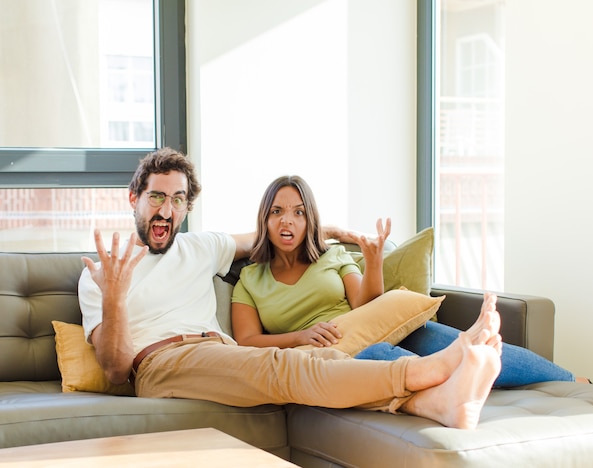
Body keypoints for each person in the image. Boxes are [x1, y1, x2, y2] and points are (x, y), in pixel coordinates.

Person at [78, 147, 502, 431]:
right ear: (133, 197)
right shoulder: (100, 274)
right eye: (155, 198)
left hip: (223, 352)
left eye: (177, 200)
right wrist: (115, 296)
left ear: (188, 206)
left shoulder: (202, 245)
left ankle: (435, 404)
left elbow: (268, 235)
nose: (166, 211)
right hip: (162, 362)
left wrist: (330, 231)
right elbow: (116, 370)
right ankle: (431, 369)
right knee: (283, 365)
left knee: (323, 359)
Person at [231, 175, 583, 388]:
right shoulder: (250, 278)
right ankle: (450, 375)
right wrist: (301, 336)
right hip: (333, 355)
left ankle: (573, 382)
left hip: (375, 327)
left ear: (310, 220)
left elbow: (366, 306)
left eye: (298, 212)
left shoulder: (332, 256)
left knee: (467, 344)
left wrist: (372, 261)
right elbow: (246, 340)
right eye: (276, 212)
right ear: (265, 218)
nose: (287, 221)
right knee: (376, 357)